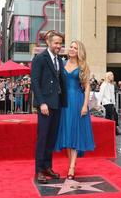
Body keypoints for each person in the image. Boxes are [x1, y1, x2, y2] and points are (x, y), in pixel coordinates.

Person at [54, 40, 95, 180]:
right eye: (70, 47)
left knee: (75, 131)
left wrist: (85, 105)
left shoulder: (82, 66)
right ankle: (72, 161)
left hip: (77, 101)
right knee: (66, 132)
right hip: (64, 102)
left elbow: (87, 87)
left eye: (75, 48)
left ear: (79, 51)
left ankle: (71, 167)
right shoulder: (62, 64)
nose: (71, 49)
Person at [31, 31, 67, 184]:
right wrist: (41, 103)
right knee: (43, 138)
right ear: (49, 43)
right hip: (45, 105)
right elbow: (35, 82)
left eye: (60, 43)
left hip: (57, 104)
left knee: (51, 138)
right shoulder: (40, 58)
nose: (58, 46)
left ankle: (47, 167)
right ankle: (39, 171)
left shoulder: (59, 59)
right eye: (56, 43)